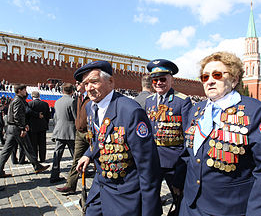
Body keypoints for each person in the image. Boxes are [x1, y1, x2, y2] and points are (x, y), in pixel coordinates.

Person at [178, 52, 261, 216]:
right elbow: (189, 156)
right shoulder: (196, 110)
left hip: (228, 208)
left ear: (234, 80)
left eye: (217, 75)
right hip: (191, 206)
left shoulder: (253, 111)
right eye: (205, 77)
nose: (210, 81)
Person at [75, 60, 162, 216]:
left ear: (111, 81)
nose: (89, 88)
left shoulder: (130, 111)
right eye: (85, 83)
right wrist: (88, 154)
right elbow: (99, 137)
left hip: (124, 193)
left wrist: (150, 210)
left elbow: (148, 166)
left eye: (94, 82)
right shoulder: (90, 107)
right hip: (100, 186)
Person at [145, 59, 192, 210]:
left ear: (171, 79)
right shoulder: (149, 101)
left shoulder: (182, 101)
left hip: (174, 160)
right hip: (154, 160)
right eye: (155, 80)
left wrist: (182, 166)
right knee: (151, 198)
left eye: (163, 79)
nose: (158, 83)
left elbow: (188, 137)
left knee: (179, 198)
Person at [0, 84, 50, 178]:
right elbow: (17, 116)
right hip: (17, 129)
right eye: (24, 90)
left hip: (12, 128)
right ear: (19, 90)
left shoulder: (15, 100)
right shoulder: (18, 101)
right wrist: (22, 127)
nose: (25, 92)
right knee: (28, 147)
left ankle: (0, 169)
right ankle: (37, 166)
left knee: (6, 151)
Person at [56, 82, 90, 195]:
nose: (76, 85)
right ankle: (70, 185)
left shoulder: (91, 96)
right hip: (80, 133)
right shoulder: (79, 97)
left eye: (78, 83)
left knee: (98, 158)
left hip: (89, 133)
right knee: (76, 159)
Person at [50, 83, 76, 183]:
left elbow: (55, 117)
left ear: (62, 91)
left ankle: (54, 175)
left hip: (59, 131)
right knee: (75, 155)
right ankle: (80, 172)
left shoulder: (57, 101)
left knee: (57, 155)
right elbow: (75, 117)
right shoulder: (72, 101)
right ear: (72, 91)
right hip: (70, 132)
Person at [28, 91, 50, 162]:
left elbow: (27, 115)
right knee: (42, 144)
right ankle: (42, 158)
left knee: (33, 144)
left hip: (33, 127)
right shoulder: (45, 104)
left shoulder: (29, 104)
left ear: (32, 96)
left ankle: (35, 158)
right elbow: (48, 116)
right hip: (43, 126)